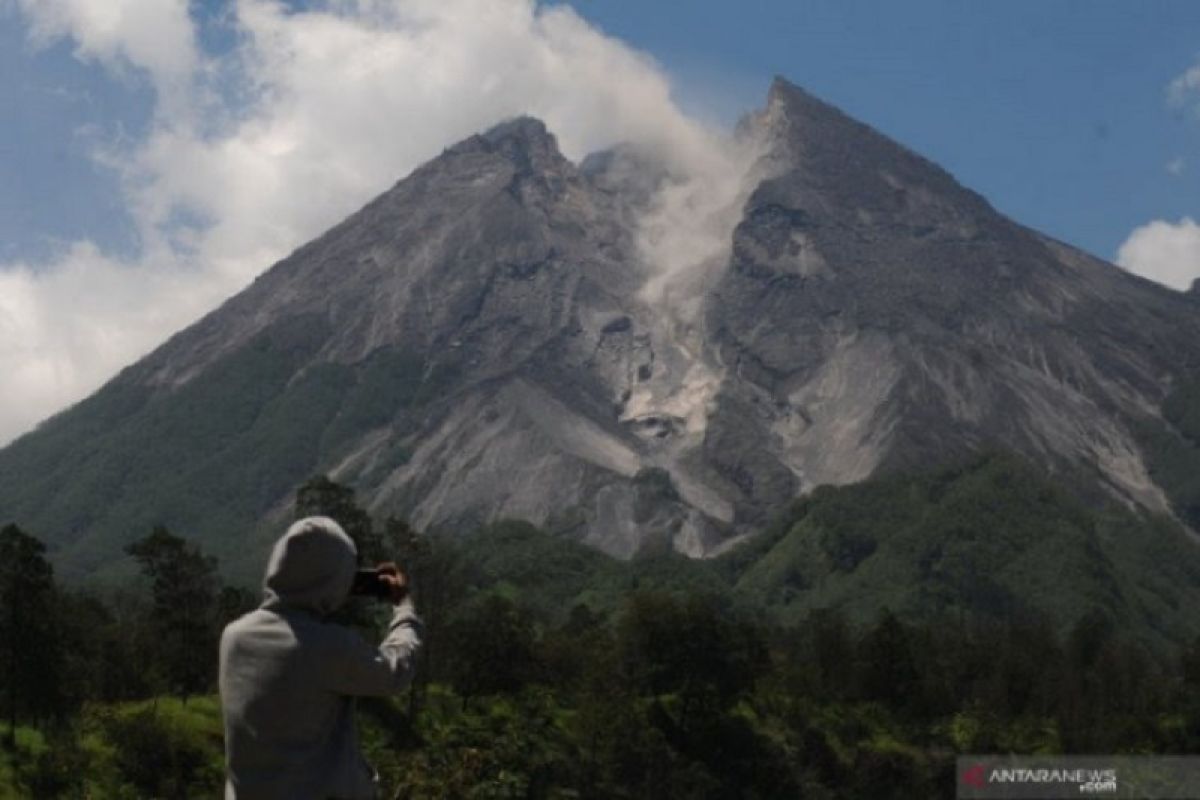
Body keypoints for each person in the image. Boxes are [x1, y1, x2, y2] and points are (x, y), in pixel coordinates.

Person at [219, 516, 422, 800]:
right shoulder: (327, 646)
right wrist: (404, 607)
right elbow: (395, 672)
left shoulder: (234, 637)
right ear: (334, 580)